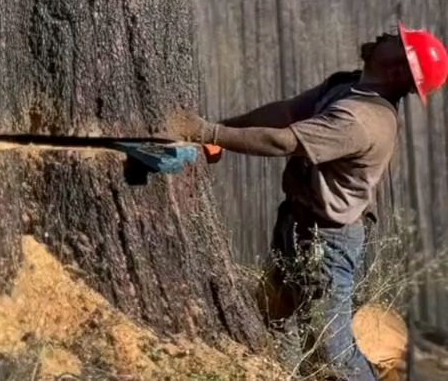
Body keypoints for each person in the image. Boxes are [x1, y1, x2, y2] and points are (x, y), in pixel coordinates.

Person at [182, 23, 448, 380]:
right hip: (298, 222)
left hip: (327, 242)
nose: (386, 34)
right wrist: (220, 130)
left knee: (332, 350)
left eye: (397, 41)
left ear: (399, 68)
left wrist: (208, 133)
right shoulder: (348, 85)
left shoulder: (361, 120)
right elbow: (288, 112)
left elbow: (283, 142)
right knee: (275, 318)